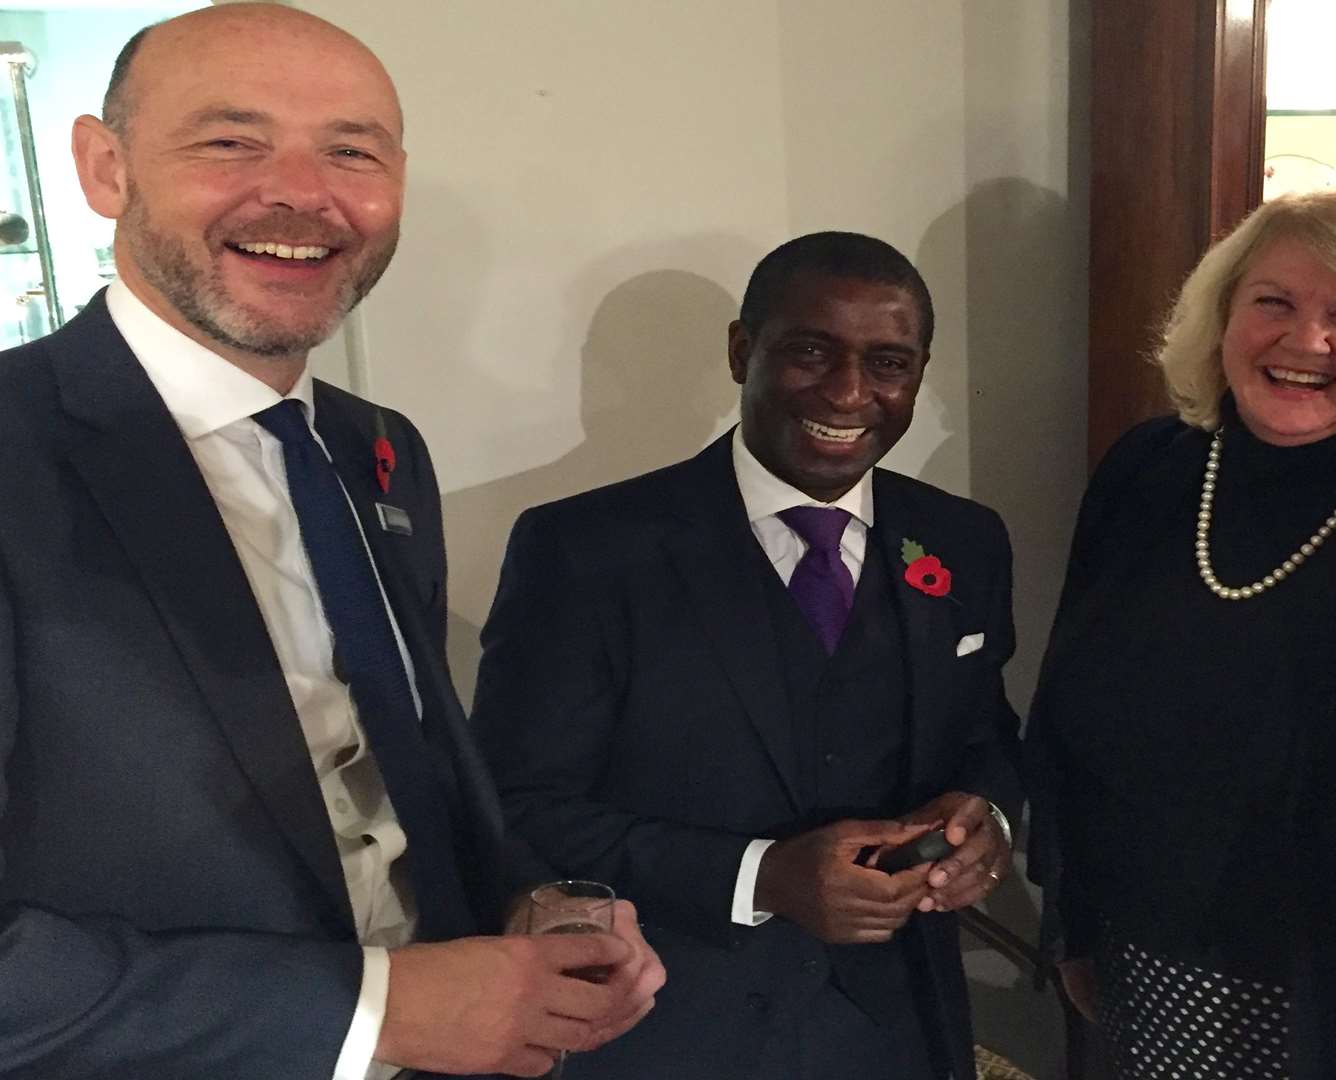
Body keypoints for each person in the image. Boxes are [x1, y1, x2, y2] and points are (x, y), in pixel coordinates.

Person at [0, 7, 663, 1078]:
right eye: (231, 141)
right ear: (105, 167)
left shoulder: (374, 448)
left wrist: (532, 898)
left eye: (352, 151)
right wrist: (377, 1010)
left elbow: (404, 762)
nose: (304, 194)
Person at [470, 231, 1023, 1080]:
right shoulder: (584, 549)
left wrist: (985, 815)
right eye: (810, 351)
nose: (848, 392)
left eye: (888, 363)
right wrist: (762, 878)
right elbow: (519, 804)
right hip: (669, 1029)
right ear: (741, 351)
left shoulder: (963, 539)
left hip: (902, 1023)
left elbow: (987, 732)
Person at [1025, 185, 1336, 1079]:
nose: (1305, 341)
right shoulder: (1148, 469)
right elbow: (1066, 702)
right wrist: (1072, 920)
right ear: (1223, 317)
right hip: (1142, 953)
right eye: (1274, 302)